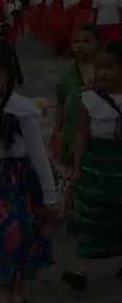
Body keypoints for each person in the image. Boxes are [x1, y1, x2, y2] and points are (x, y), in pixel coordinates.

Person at [0, 39, 57, 303]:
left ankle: (12, 290)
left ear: (9, 75)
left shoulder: (22, 110)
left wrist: (50, 195)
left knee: (15, 237)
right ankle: (9, 289)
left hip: (16, 185)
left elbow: (39, 155)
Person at [61, 41, 122, 291]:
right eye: (100, 68)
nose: (104, 73)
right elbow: (82, 135)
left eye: (111, 67)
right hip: (96, 167)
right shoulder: (90, 99)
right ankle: (81, 268)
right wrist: (76, 167)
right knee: (92, 217)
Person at [50, 24, 99, 203]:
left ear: (98, 44)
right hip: (72, 133)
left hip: (100, 133)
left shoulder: (108, 71)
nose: (80, 45)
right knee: (73, 173)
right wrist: (58, 130)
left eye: (86, 41)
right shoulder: (66, 76)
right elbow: (61, 105)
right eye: (76, 41)